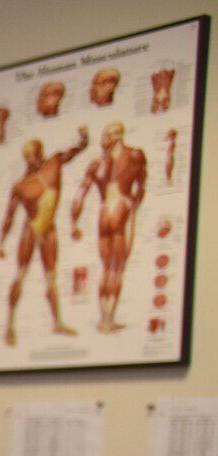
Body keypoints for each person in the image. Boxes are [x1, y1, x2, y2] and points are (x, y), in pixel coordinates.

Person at [0, 129, 90, 345]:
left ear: (41, 153)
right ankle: (9, 324)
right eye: (28, 157)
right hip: (30, 229)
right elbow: (9, 216)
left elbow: (72, 152)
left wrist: (84, 141)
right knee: (20, 274)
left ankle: (57, 322)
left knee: (51, 278)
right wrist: (1, 241)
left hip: (49, 229)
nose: (32, 160)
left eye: (34, 155)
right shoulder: (21, 185)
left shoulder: (54, 164)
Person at [71, 121, 148, 333]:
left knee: (107, 269)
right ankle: (108, 319)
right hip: (120, 206)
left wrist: (73, 222)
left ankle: (105, 319)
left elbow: (80, 194)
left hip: (105, 211)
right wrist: (133, 204)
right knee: (117, 269)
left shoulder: (98, 163)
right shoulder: (134, 156)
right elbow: (141, 184)